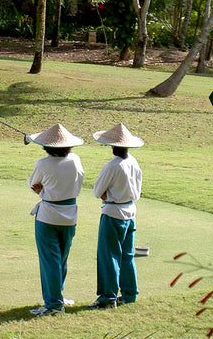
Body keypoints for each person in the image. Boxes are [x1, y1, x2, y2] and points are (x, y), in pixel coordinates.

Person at [27, 123, 85, 316]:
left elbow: (33, 183)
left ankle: (53, 304)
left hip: (48, 216)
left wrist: (42, 190)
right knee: (62, 258)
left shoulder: (43, 163)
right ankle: (57, 296)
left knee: (50, 260)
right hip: (70, 215)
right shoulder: (75, 159)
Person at [88, 123, 144, 309]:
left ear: (111, 145)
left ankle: (108, 297)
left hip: (113, 213)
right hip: (130, 212)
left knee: (109, 255)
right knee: (127, 255)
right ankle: (129, 294)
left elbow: (97, 191)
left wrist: (107, 195)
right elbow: (137, 192)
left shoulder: (111, 166)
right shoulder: (133, 162)